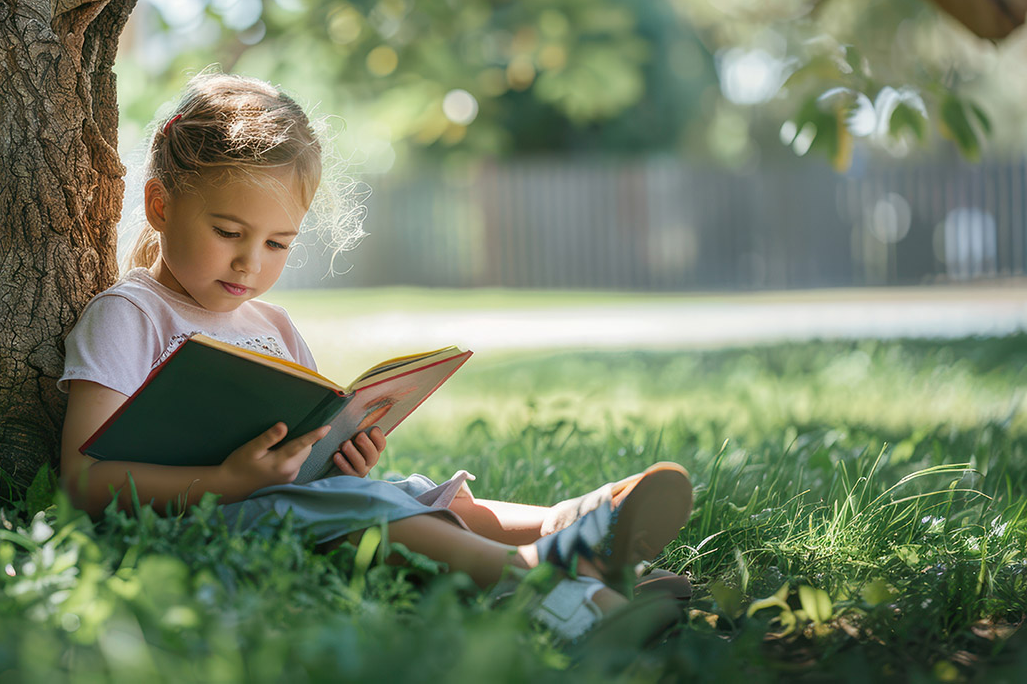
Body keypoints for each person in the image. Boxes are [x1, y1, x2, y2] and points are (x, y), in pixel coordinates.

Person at [58, 72, 694, 642]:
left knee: (407, 494)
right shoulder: (130, 314)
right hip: (203, 520)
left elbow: (314, 447)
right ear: (160, 205)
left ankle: (575, 537)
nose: (251, 262)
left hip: (292, 501)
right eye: (229, 233)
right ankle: (538, 583)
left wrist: (344, 455)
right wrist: (231, 482)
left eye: (279, 243)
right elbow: (83, 481)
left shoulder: (272, 324)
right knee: (376, 512)